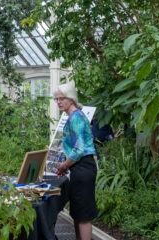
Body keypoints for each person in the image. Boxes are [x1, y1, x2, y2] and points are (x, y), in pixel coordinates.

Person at [54, 82, 98, 240]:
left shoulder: (76, 118)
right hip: (78, 167)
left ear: (71, 99)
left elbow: (79, 149)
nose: (58, 102)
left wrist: (64, 165)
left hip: (83, 167)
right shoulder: (73, 116)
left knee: (84, 214)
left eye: (61, 98)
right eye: (56, 99)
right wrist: (68, 165)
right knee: (78, 212)